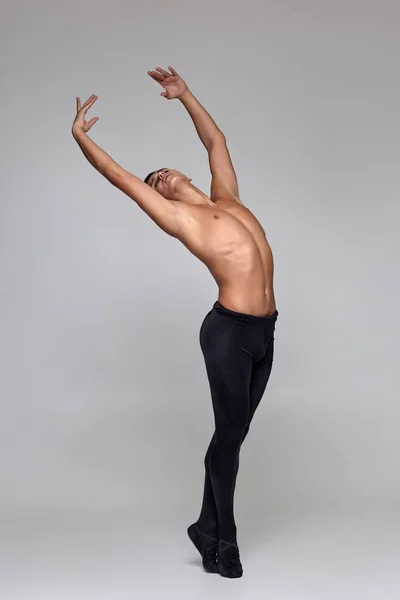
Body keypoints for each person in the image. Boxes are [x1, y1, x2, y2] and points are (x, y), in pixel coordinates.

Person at [71, 65, 278, 579]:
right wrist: (79, 137)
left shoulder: (228, 199)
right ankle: (223, 541)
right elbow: (120, 177)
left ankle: (204, 527)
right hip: (228, 332)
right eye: (155, 182)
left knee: (236, 432)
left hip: (265, 332)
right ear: (161, 201)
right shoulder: (181, 219)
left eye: (161, 171)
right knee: (229, 435)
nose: (159, 177)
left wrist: (185, 94)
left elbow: (216, 139)